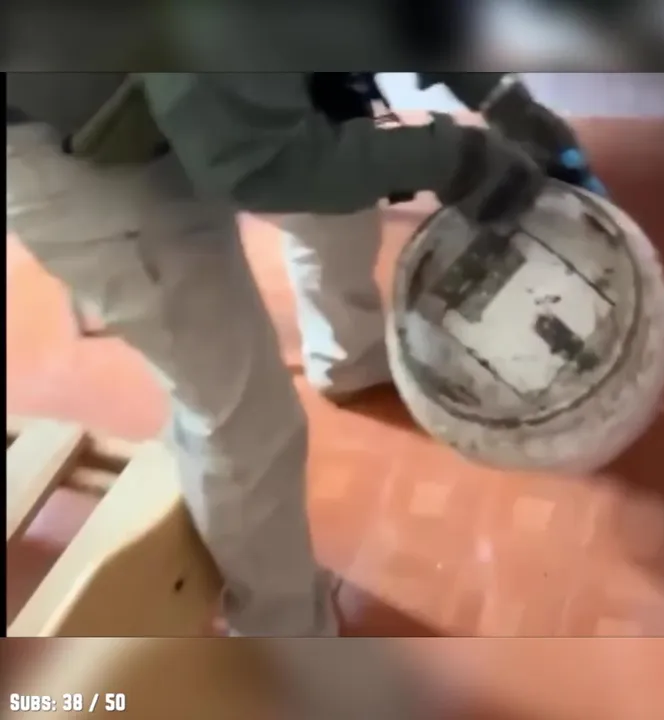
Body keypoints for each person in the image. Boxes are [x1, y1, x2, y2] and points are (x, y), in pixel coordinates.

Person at [6, 72, 604, 636]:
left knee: (334, 194)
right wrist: (460, 158)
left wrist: (498, 96)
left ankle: (348, 357)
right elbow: (261, 163)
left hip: (178, 88)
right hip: (78, 146)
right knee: (242, 416)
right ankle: (284, 632)